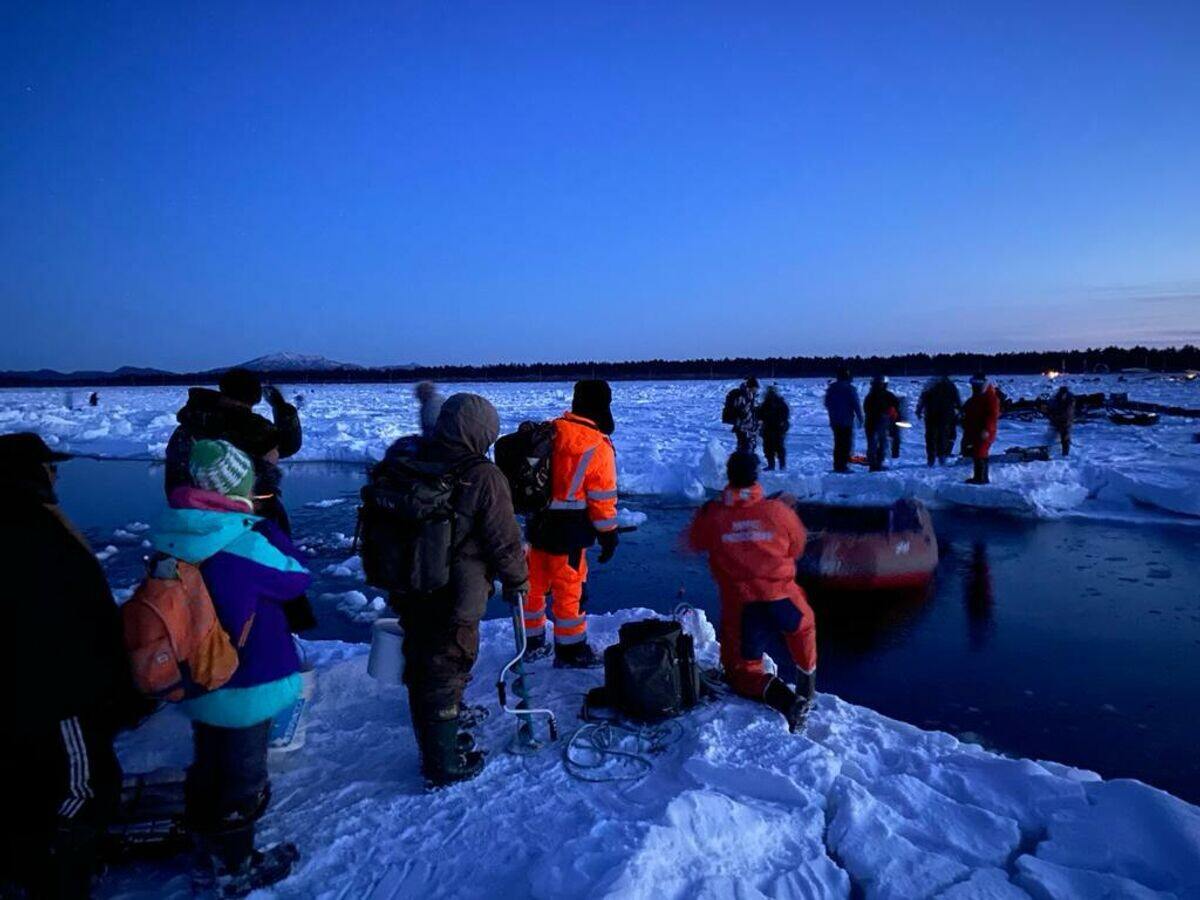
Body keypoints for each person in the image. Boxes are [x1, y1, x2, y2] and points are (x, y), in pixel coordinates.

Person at [150, 440, 311, 895]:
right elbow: (296, 577)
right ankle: (234, 868)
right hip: (245, 676)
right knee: (241, 776)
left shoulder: (173, 532)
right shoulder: (243, 539)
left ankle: (203, 849)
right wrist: (268, 529)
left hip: (195, 672)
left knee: (207, 764)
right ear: (238, 487)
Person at [0, 433, 137, 898]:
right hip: (54, 696)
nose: (56, 474)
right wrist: (108, 688)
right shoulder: (32, 532)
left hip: (35, 692)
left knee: (28, 783)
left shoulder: (23, 522)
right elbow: (66, 621)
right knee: (86, 788)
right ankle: (56, 879)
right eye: (49, 466)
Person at [381, 394, 529, 787]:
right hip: (454, 592)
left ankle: (444, 722)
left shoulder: (411, 459)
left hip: (409, 584)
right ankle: (443, 761)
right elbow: (504, 540)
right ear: (481, 432)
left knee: (422, 659)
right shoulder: (482, 475)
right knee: (446, 665)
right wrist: (517, 579)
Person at [165, 367, 314, 632]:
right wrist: (282, 409)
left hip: (195, 527)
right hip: (253, 522)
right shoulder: (255, 428)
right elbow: (289, 445)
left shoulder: (187, 427)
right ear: (254, 398)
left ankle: (211, 654)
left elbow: (175, 484)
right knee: (268, 593)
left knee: (209, 602)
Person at [687, 452, 817, 732]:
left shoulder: (714, 515)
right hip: (784, 598)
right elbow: (797, 546)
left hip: (745, 607)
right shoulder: (778, 512)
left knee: (743, 672)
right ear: (756, 477)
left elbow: (692, 543)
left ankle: (788, 701)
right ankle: (807, 688)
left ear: (728, 476)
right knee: (803, 632)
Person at [524, 380, 619, 668]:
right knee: (569, 592)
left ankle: (532, 642)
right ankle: (571, 650)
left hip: (537, 526)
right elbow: (601, 500)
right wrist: (608, 535)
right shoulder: (598, 446)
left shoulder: (550, 431)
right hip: (570, 534)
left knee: (533, 586)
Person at [961, 372, 1000, 484]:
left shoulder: (991, 398)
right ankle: (979, 477)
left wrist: (987, 429)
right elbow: (968, 408)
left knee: (980, 452)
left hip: (985, 431)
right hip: (975, 430)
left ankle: (981, 478)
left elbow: (992, 415)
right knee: (975, 452)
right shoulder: (976, 397)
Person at [916, 373, 962, 466]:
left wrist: (919, 410)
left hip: (936, 415)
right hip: (942, 415)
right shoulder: (949, 385)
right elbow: (957, 400)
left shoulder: (931, 384)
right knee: (940, 437)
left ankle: (934, 458)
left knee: (933, 437)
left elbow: (923, 398)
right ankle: (939, 457)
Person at [824, 368, 863, 473]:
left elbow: (826, 403)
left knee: (838, 443)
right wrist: (860, 417)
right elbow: (856, 404)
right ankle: (844, 465)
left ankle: (837, 465)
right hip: (846, 421)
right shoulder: (850, 389)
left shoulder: (831, 389)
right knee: (846, 444)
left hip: (835, 421)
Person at [863, 375, 900, 472]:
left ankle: (875, 464)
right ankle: (876, 463)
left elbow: (865, 408)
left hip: (873, 422)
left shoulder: (870, 396)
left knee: (875, 444)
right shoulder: (886, 395)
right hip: (879, 422)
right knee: (880, 443)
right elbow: (896, 405)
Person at [722, 377, 760, 454]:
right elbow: (739, 411)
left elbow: (753, 411)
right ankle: (743, 463)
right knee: (744, 447)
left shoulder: (751, 396)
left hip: (751, 427)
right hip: (743, 427)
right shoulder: (741, 396)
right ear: (751, 387)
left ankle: (746, 462)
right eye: (755, 388)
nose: (756, 390)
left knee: (749, 446)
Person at [756, 385, 790, 471]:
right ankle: (780, 465)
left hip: (772, 429)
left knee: (771, 448)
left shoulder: (768, 403)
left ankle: (774, 465)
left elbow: (759, 415)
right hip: (775, 429)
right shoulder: (780, 402)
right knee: (777, 447)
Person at [1045, 385, 1075, 457]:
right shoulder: (1055, 399)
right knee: (1051, 437)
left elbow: (1067, 413)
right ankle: (1048, 452)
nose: (1062, 395)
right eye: (1061, 393)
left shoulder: (1070, 401)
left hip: (1065, 422)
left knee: (1065, 438)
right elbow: (1050, 408)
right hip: (1056, 422)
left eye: (1063, 393)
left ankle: (1065, 454)